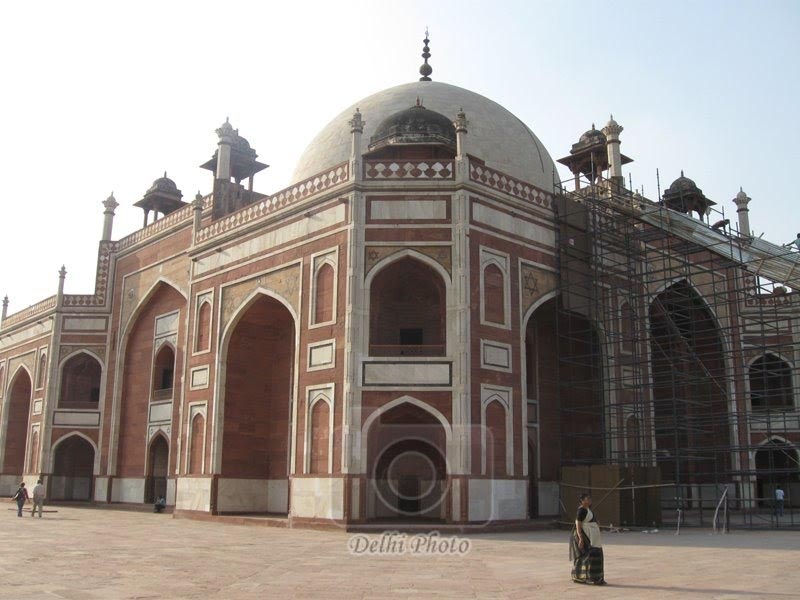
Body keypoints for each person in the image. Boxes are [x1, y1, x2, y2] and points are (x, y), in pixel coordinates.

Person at [570, 493, 606, 585]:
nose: (590, 500)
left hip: (593, 538)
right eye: (587, 499)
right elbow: (578, 524)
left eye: (590, 498)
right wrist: (580, 537)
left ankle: (596, 577)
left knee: (596, 555)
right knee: (586, 557)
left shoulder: (589, 510)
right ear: (582, 501)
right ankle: (582, 577)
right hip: (585, 537)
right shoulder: (581, 511)